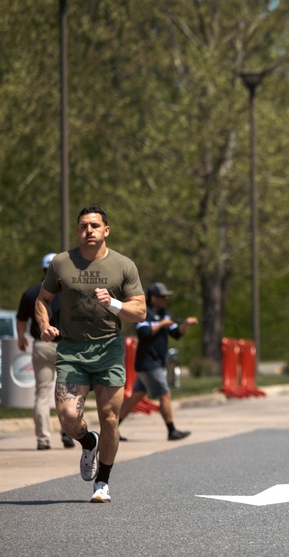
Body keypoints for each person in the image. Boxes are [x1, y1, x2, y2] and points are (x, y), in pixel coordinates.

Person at [35, 205, 146, 503]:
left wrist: (114, 304)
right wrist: (45, 325)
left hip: (108, 348)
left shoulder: (123, 265)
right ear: (77, 231)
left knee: (110, 418)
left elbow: (140, 311)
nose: (89, 231)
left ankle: (103, 482)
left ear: (106, 230)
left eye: (95, 226)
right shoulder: (61, 263)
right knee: (68, 416)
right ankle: (88, 441)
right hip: (72, 349)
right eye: (84, 226)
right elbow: (42, 299)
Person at [117, 282, 198, 441]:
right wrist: (162, 324)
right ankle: (172, 430)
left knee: (136, 397)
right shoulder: (144, 313)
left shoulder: (165, 313)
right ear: (153, 298)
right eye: (163, 297)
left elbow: (175, 333)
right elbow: (144, 332)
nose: (165, 300)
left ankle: (111, 428)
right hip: (148, 363)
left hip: (155, 363)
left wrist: (185, 325)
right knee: (165, 394)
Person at [17, 253, 74, 451]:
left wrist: (21, 337)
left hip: (42, 345)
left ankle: (43, 439)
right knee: (66, 392)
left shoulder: (32, 292)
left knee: (42, 393)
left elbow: (21, 319)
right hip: (65, 346)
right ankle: (67, 433)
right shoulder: (67, 291)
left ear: (43, 270)